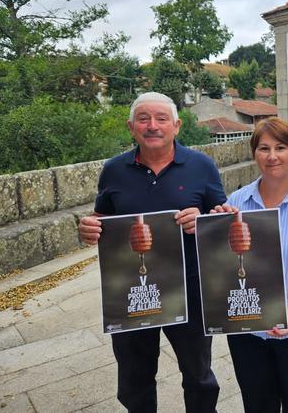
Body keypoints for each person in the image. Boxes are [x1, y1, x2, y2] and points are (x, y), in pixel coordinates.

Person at [78, 92, 225, 413]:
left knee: (198, 375)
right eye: (144, 119)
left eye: (161, 119)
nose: (152, 126)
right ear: (131, 127)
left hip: (190, 288)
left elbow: (221, 218)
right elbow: (103, 217)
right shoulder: (113, 170)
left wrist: (204, 221)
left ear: (176, 125)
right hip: (132, 289)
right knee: (134, 377)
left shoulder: (202, 166)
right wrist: (90, 227)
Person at [213, 117, 288, 413]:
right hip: (248, 329)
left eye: (280, 147)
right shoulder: (235, 203)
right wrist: (215, 228)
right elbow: (222, 264)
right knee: (257, 404)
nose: (272, 156)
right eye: (264, 148)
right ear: (254, 153)